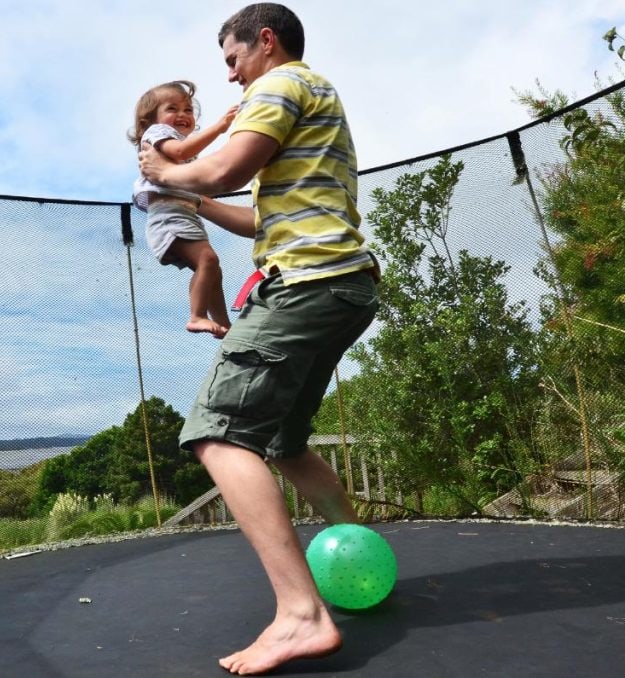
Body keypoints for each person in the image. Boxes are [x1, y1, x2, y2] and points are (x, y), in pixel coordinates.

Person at [138, 3, 380, 675]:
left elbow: (219, 169)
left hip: (306, 285)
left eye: (232, 58)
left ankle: (301, 615)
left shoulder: (278, 84)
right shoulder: (312, 96)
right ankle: (354, 549)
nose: (230, 75)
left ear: (264, 42)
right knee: (286, 443)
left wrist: (165, 173)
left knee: (218, 433)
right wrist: (190, 203)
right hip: (343, 283)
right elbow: (254, 216)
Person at [130, 80, 238, 337]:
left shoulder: (180, 150)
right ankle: (197, 316)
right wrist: (220, 128)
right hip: (168, 217)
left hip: (183, 214)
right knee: (208, 260)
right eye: (172, 108)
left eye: (188, 110)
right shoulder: (156, 134)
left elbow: (201, 182)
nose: (182, 114)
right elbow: (179, 151)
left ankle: (223, 325)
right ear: (150, 120)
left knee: (213, 270)